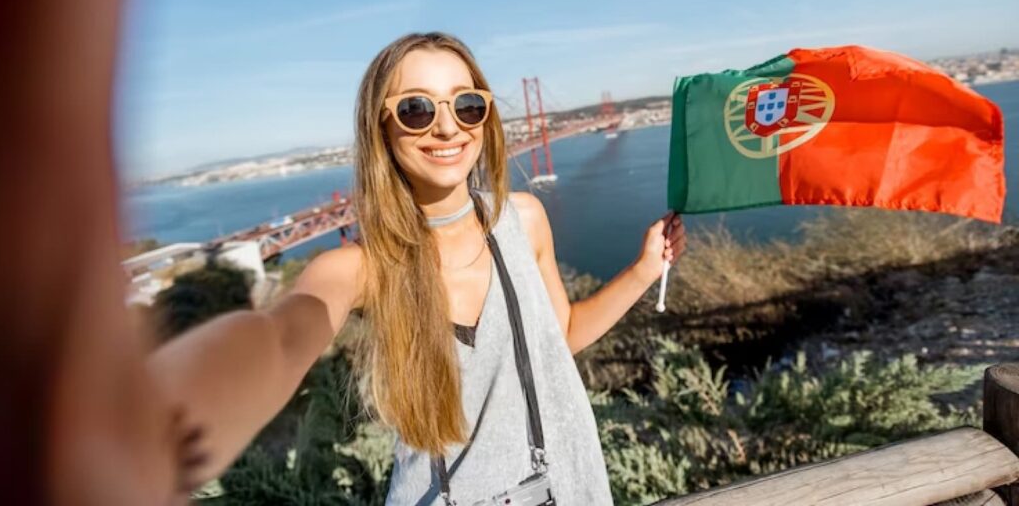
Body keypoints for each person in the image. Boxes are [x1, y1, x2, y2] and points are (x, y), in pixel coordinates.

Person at [150, 32, 686, 505]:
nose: (448, 127)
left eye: (468, 105)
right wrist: (158, 419)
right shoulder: (358, 268)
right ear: (381, 126)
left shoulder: (524, 218)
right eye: (416, 110)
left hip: (570, 488)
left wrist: (643, 269)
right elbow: (282, 340)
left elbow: (560, 334)